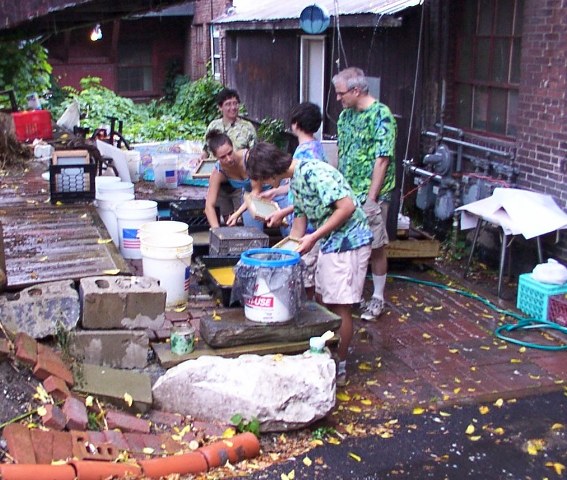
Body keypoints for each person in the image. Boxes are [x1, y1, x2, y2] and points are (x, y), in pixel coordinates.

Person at [247, 142, 372, 386]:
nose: (262, 184)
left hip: (349, 242)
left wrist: (313, 237)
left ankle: (341, 366)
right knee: (324, 302)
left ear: (271, 171)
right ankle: (327, 355)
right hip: (330, 243)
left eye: (262, 179)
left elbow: (347, 206)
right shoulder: (295, 180)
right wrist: (287, 253)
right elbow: (300, 223)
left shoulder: (315, 171)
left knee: (340, 306)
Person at [332, 67, 397, 322]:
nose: (338, 99)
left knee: (376, 246)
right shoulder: (345, 116)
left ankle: (378, 298)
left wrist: (372, 200)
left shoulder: (381, 116)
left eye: (341, 94)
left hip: (373, 194)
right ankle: (354, 294)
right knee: (351, 244)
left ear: (356, 90)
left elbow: (383, 160)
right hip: (348, 193)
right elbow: (342, 152)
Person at [264, 102, 327, 299]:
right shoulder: (316, 146)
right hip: (304, 222)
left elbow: (308, 196)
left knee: (307, 277)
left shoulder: (304, 153)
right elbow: (298, 186)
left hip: (308, 228)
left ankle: (311, 311)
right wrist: (276, 192)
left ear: (296, 124)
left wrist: (283, 211)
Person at [204, 131, 288, 231]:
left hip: (275, 190)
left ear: (233, 147)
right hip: (250, 198)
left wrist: (237, 213)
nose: (229, 159)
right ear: (215, 157)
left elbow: (256, 191)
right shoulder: (218, 172)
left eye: (230, 153)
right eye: (223, 157)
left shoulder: (249, 158)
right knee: (251, 231)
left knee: (286, 226)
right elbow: (209, 206)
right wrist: (216, 231)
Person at [202, 88, 257, 223]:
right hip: (221, 182)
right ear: (220, 107)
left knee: (242, 217)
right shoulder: (214, 126)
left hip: (241, 179)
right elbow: (205, 151)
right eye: (228, 104)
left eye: (235, 103)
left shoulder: (248, 127)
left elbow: (256, 154)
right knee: (227, 218)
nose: (232, 107)